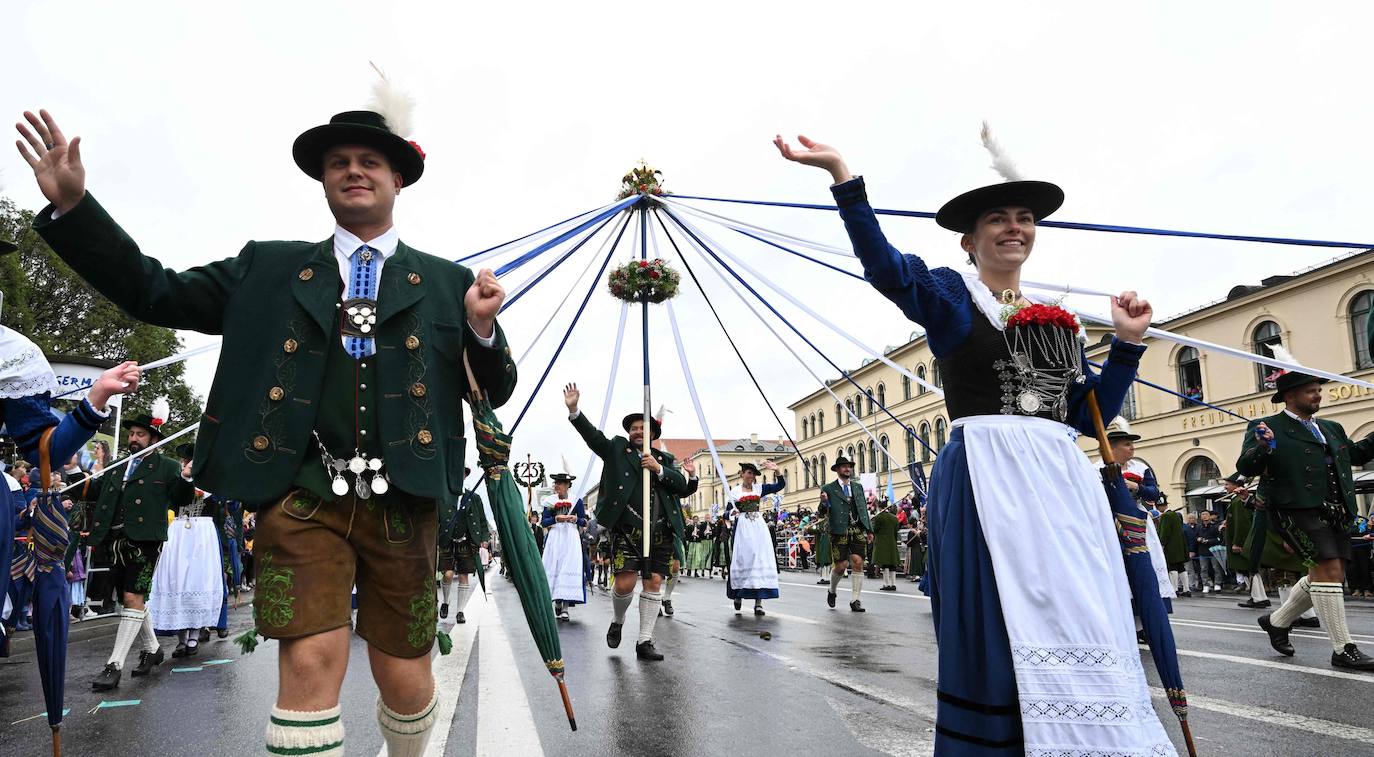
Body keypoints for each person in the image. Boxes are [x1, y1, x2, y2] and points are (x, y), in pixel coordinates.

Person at [19, 91, 517, 753]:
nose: (353, 170)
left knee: (405, 676)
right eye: (338, 161)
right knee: (310, 661)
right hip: (299, 491)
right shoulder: (268, 267)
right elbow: (153, 289)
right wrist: (77, 210)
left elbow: (499, 387)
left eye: (370, 160)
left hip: (405, 499)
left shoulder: (450, 283)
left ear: (399, 177)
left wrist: (481, 326)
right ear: (322, 179)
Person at [776, 133, 1172, 753]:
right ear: (969, 239)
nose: (1015, 228)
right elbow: (883, 267)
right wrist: (842, 177)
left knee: (1075, 602)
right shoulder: (954, 298)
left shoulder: (1058, 320)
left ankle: (1078, 731)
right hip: (987, 471)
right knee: (993, 609)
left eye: (1024, 218)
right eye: (998, 219)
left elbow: (1088, 413)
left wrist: (1125, 343)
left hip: (1057, 476)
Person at [1241, 370, 1374, 670]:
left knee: (1333, 573)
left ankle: (1277, 622)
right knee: (1326, 569)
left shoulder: (1331, 427)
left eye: (1318, 390)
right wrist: (1265, 446)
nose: (1318, 395)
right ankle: (1343, 649)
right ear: (1289, 396)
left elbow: (1355, 455)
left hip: (1337, 509)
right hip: (1295, 510)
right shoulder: (1265, 426)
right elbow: (1246, 466)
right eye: (1311, 391)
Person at [564, 383, 696, 661]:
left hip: (661, 531)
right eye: (634, 428)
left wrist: (658, 469)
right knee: (624, 584)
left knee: (655, 581)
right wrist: (575, 410)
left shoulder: (664, 460)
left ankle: (645, 641)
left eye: (643, 427)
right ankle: (618, 619)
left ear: (653, 434)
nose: (638, 431)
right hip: (628, 529)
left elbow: (683, 487)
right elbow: (593, 438)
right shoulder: (616, 450)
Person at [82, 409, 195, 688]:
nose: (134, 438)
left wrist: (187, 477)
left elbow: (182, 499)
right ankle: (153, 649)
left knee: (133, 596)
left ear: (153, 438)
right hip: (114, 540)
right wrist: (73, 472)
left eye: (140, 434)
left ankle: (114, 664)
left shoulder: (167, 466)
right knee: (128, 599)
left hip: (145, 542)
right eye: (131, 434)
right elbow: (94, 493)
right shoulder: (119, 465)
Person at [148, 439, 225, 659]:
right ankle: (182, 638)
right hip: (179, 533)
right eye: (185, 459)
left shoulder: (213, 483)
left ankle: (193, 636)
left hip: (201, 535)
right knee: (177, 581)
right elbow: (172, 500)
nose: (186, 462)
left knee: (197, 581)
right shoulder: (178, 479)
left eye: (190, 459)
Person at [725, 461, 785, 616]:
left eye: (753, 474)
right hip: (743, 528)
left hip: (758, 527)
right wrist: (731, 514)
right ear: (742, 474)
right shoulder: (735, 492)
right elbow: (727, 512)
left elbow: (779, 486)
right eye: (749, 473)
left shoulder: (759, 489)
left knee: (760, 559)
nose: (751, 476)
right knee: (744, 560)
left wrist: (777, 470)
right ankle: (738, 594)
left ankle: (759, 603)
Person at [817, 456, 873, 611]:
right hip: (838, 530)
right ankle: (832, 590)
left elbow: (863, 509)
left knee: (858, 562)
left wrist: (869, 529)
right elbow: (822, 512)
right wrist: (824, 502)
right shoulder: (828, 488)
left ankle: (855, 600)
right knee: (841, 566)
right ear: (837, 469)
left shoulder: (857, 487)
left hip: (856, 529)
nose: (847, 469)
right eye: (844, 466)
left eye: (849, 466)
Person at [540, 472, 588, 621]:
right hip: (555, 538)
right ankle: (558, 601)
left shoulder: (576, 501)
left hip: (571, 538)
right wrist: (556, 518)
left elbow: (584, 522)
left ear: (567, 485)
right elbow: (544, 522)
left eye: (560, 483)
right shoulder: (549, 501)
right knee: (554, 567)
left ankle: (566, 607)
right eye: (556, 483)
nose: (557, 486)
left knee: (569, 567)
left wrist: (575, 519)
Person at [872, 501, 901, 591]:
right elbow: (896, 532)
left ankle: (887, 584)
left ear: (879, 507)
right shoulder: (894, 518)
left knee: (885, 564)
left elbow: (875, 530)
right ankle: (893, 584)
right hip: (892, 542)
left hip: (882, 543)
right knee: (892, 564)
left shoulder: (879, 517)